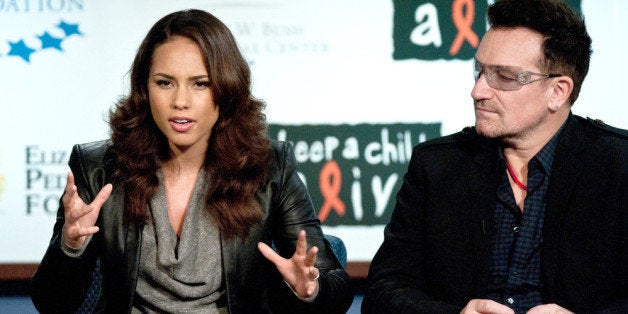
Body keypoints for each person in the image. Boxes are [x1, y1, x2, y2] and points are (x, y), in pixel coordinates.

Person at [30, 9, 353, 313]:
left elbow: (334, 287)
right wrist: (71, 246)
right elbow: (52, 302)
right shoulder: (98, 168)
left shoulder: (269, 166)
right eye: (164, 83)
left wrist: (307, 290)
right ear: (144, 88)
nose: (180, 101)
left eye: (200, 84)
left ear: (226, 90)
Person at [362, 0, 627, 313]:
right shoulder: (437, 165)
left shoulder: (618, 165)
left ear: (558, 91)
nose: (478, 91)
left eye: (505, 77)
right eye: (480, 71)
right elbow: (384, 290)